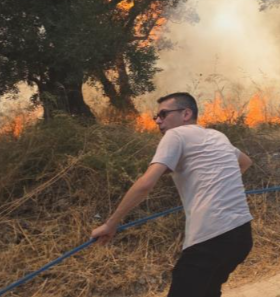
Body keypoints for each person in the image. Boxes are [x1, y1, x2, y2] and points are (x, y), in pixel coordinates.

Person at [91, 92, 254, 297]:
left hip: (210, 237)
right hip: (241, 236)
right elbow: (245, 162)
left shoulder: (176, 135)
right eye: (156, 117)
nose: (158, 120)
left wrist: (111, 224)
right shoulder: (216, 136)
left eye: (164, 114)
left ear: (186, 114)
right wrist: (218, 184)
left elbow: (145, 184)